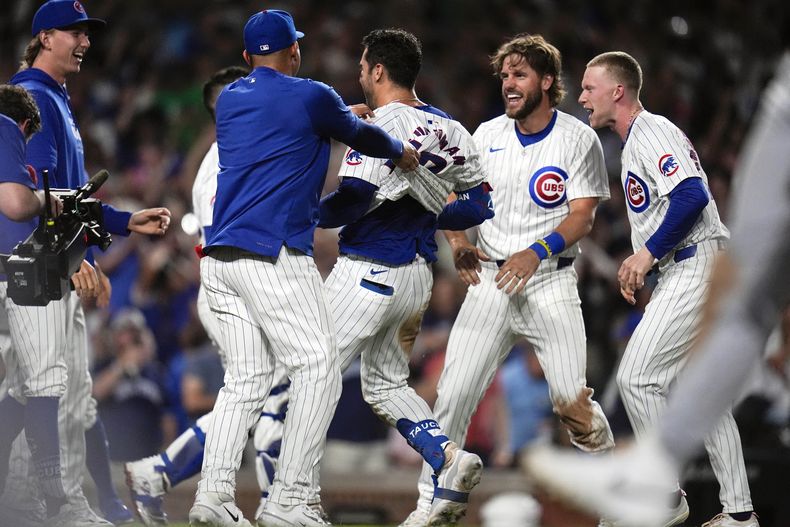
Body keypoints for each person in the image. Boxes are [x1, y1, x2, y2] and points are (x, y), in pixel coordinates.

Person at [527, 49, 790, 527]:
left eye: (589, 88)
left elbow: (692, 195)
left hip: (697, 264)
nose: (581, 97)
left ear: (618, 91)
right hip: (688, 266)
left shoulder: (651, 131)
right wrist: (648, 262)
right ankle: (739, 512)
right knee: (700, 390)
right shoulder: (636, 142)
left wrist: (646, 255)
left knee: (638, 378)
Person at [189, 9, 419, 527]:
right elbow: (364, 138)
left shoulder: (232, 99)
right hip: (272, 256)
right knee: (318, 369)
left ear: (247, 57)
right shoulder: (313, 95)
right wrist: (400, 151)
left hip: (220, 261)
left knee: (244, 380)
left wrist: (339, 113)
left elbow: (293, 123)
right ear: (294, 50)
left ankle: (213, 495)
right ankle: (289, 500)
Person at [403, 33, 615, 527]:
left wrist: (536, 251)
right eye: (504, 75)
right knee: (453, 394)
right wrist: (459, 243)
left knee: (571, 400)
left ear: (546, 81)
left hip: (550, 280)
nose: (508, 84)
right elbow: (451, 197)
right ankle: (429, 504)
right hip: (491, 280)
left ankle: (616, 501)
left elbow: (583, 216)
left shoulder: (577, 137)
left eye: (519, 74)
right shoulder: (485, 134)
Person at [1, 1, 171, 525]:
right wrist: (73, 256)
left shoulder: (53, 95)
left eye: (87, 33)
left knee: (60, 393)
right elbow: (33, 199)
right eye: (74, 32)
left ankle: (57, 503)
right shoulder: (31, 96)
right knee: (45, 387)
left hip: (50, 262)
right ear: (44, 37)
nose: (85, 42)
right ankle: (48, 505)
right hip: (36, 267)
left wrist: (122, 222)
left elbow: (67, 198)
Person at [318, 28, 494, 525]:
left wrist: (306, 214)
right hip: (416, 279)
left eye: (362, 67)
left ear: (377, 70)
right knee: (385, 386)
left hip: (366, 272)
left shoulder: (381, 124)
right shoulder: (452, 129)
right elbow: (479, 205)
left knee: (310, 373)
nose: (359, 74)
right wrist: (430, 211)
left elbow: (352, 197)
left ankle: (295, 497)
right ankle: (447, 456)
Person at [124, 66, 291, 527]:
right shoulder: (222, 164)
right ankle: (278, 508)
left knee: (251, 400)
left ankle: (158, 473)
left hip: (240, 291)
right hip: (237, 292)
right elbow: (238, 245)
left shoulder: (243, 152)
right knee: (272, 395)